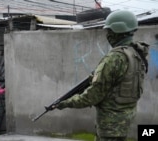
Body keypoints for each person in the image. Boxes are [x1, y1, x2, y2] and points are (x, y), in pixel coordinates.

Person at [54, 10, 149, 141]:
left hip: (109, 128)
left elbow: (92, 97)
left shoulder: (114, 58)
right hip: (125, 121)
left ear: (117, 30)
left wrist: (65, 103)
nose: (107, 35)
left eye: (109, 31)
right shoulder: (137, 54)